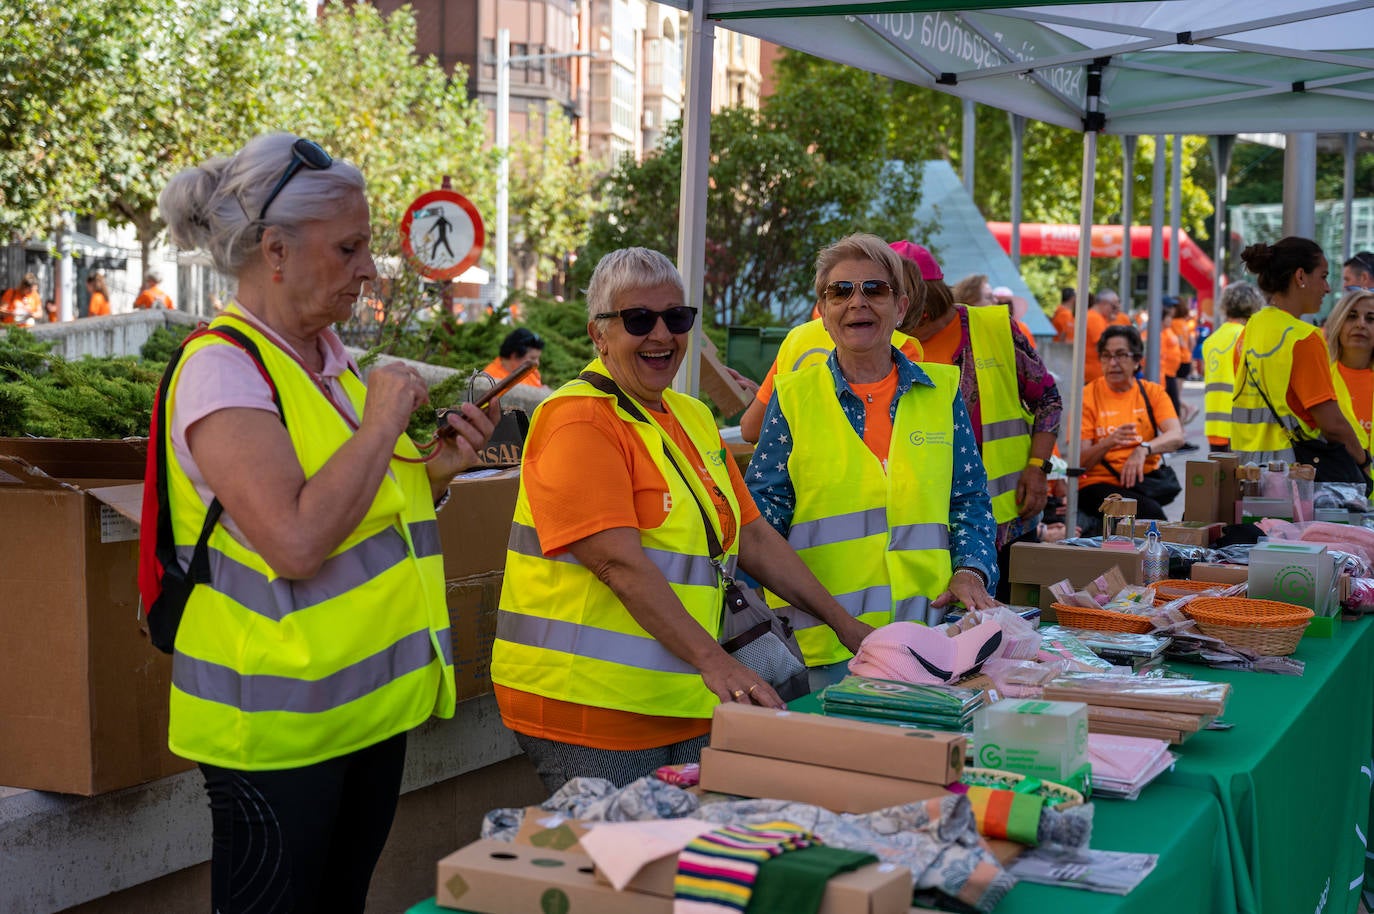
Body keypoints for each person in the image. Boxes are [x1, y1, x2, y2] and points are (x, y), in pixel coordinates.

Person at [156, 132, 498, 911]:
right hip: (277, 735)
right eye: (349, 249)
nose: (369, 271)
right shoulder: (222, 369)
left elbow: (351, 508)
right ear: (275, 251)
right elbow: (297, 540)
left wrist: (434, 474)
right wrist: (382, 424)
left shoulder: (322, 358)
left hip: (360, 719)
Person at [490, 247, 869, 793]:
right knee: (622, 866)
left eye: (676, 318)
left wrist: (844, 624)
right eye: (638, 320)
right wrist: (714, 663)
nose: (661, 335)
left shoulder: (688, 413)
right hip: (591, 706)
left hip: (685, 694)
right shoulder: (578, 419)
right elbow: (618, 565)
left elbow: (753, 535)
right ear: (599, 334)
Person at [750, 234, 998, 690]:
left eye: (874, 290)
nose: (856, 302)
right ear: (822, 313)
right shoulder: (793, 398)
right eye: (840, 291)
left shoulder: (941, 392)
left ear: (901, 307)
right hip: (823, 652)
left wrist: (971, 570)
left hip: (930, 642)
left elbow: (969, 500)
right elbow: (760, 528)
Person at [894, 241, 1060, 602]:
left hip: (1007, 518)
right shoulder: (883, 345)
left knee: (1011, 630)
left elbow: (1048, 399)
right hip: (927, 525)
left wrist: (1037, 468)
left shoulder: (995, 328)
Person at [1232, 237, 1367, 470]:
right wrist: (1363, 460)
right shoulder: (1302, 337)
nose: (1327, 288)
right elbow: (1332, 424)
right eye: (1323, 277)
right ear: (1300, 276)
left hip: (1249, 474)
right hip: (1294, 478)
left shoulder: (1249, 332)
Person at [737, 296, 922, 444]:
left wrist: (766, 398)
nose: (857, 302)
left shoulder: (796, 337)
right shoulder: (903, 347)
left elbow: (751, 429)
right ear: (900, 306)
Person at [1079, 325, 1186, 532]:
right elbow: (1080, 462)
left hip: (1143, 482)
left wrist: (1143, 449)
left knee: (1175, 517)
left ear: (1137, 360)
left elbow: (1176, 436)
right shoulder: (1088, 395)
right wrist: (1109, 442)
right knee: (1152, 517)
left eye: (1121, 355)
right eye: (1106, 356)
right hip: (1098, 484)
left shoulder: (1152, 392)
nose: (1113, 363)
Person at [1202, 281, 1264, 451]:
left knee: (1221, 476)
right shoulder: (1247, 338)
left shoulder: (1211, 341)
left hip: (1214, 425)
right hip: (1239, 426)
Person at [1327, 290, 1374, 454]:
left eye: (1371, 319)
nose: (1361, 324)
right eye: (1352, 316)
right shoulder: (1322, 378)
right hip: (1336, 478)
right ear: (1337, 323)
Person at [1083, 289, 1120, 384]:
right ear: (1104, 303)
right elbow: (1103, 345)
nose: (1116, 311)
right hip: (1094, 374)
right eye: (1114, 307)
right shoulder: (1095, 319)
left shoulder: (1096, 317)